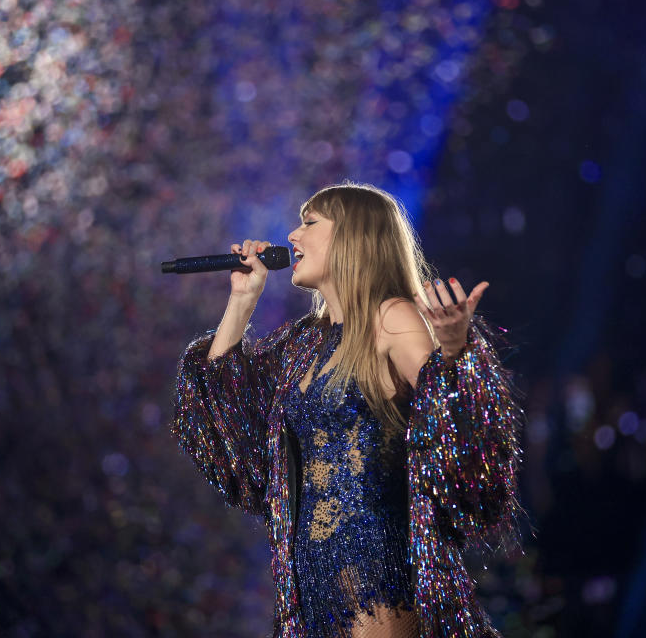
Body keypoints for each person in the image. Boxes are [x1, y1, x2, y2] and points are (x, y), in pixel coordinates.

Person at [172, 183, 524, 638]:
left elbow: (453, 419)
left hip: (374, 575)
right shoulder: (304, 343)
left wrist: (455, 351)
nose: (293, 236)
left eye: (309, 222)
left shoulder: (391, 318)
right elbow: (226, 415)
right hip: (308, 587)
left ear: (353, 237)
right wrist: (242, 299)